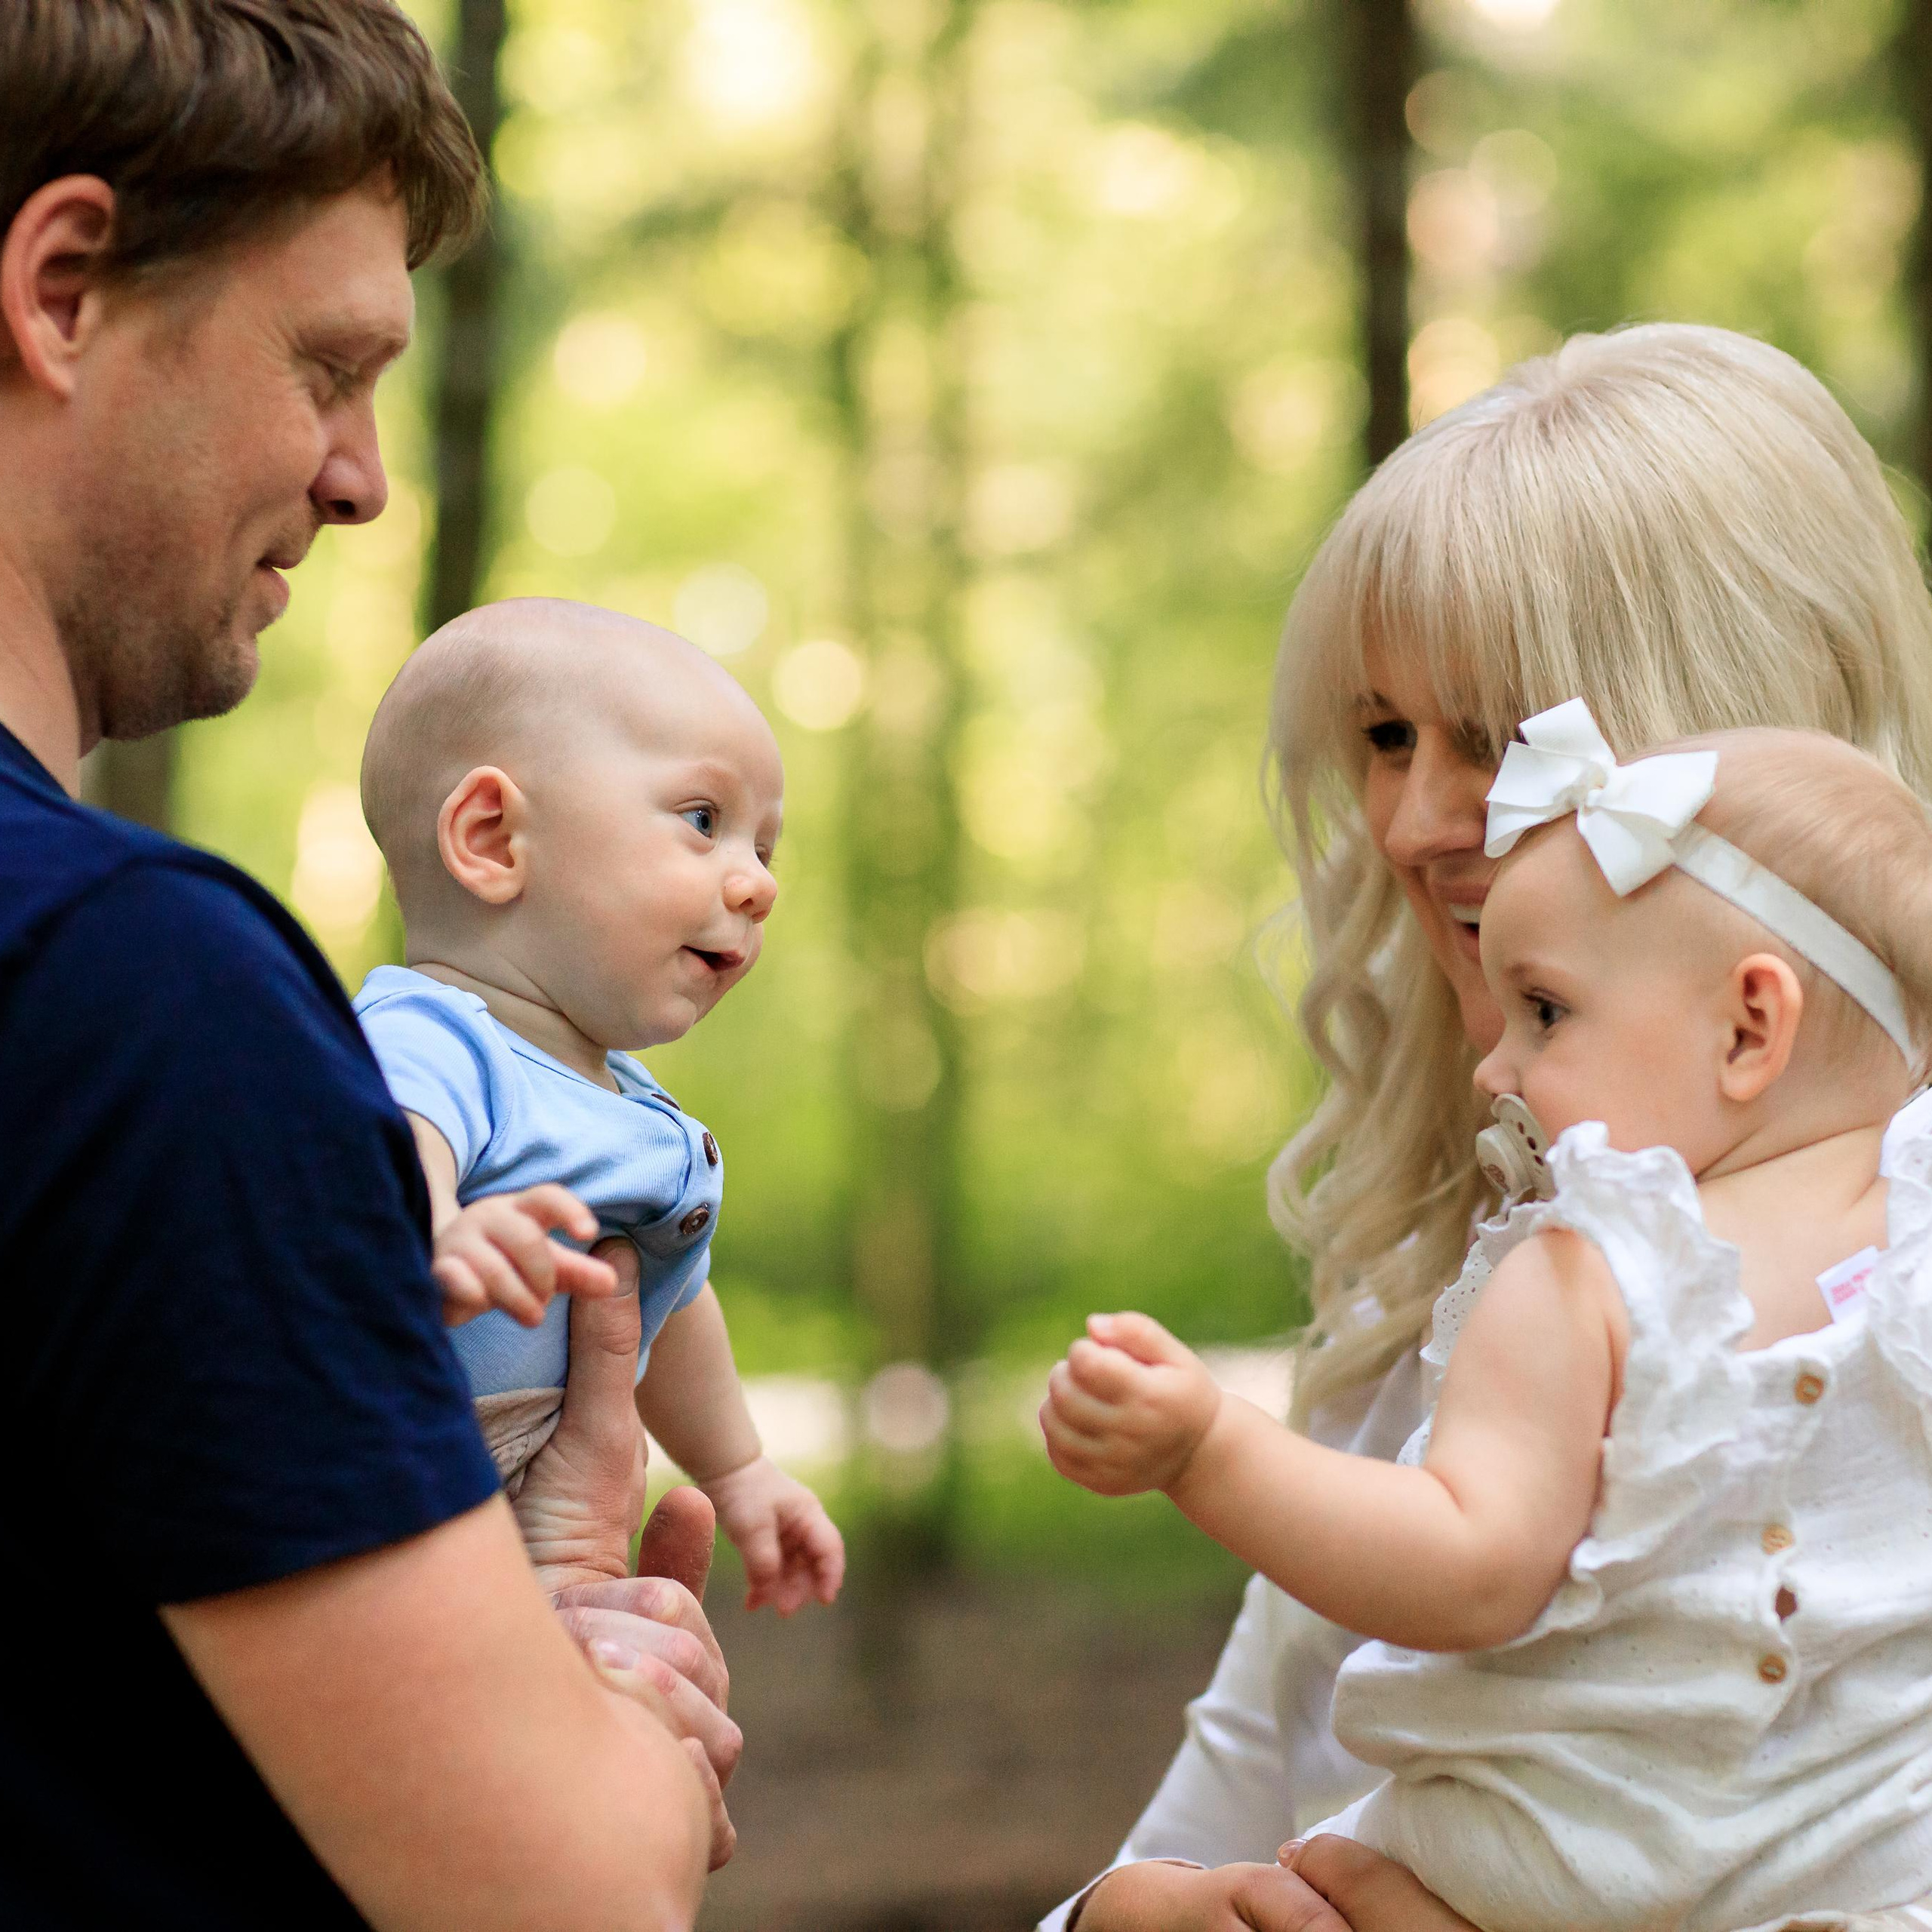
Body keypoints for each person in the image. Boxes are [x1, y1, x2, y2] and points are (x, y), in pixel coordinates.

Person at [1046, 322, 1932, 1932]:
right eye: (1384, 735)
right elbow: (1215, 1802)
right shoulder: (1513, 1291)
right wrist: (1130, 1917)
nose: (1404, 820)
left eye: (1503, 738)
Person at [0, 5, 734, 1924]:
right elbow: (566, 1897)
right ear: (61, 287)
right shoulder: (122, 992)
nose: (361, 479)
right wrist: (601, 1676)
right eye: (328, 366)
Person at [354, 598, 845, 1614]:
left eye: (766, 850)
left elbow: (666, 1303)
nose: (756, 884)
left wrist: (738, 1468)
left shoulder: (626, 1102)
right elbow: (383, 1145)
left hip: (525, 1560)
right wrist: (430, 1233)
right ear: (492, 837)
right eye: (705, 822)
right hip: (385, 1533)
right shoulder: (436, 1037)